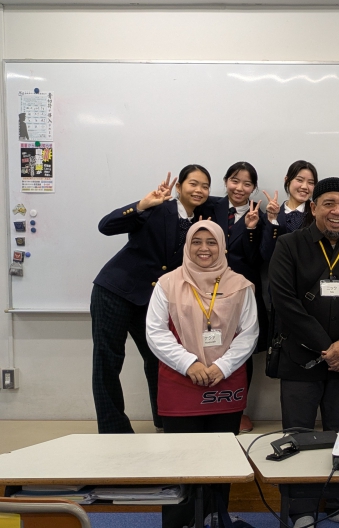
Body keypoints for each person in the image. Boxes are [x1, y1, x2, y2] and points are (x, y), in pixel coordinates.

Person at [268, 177, 339, 528]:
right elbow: (284, 301)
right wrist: (327, 347)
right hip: (299, 357)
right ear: (314, 207)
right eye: (329, 203)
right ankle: (300, 510)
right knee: (297, 436)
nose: (337, 211)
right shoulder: (289, 245)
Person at [145, 220, 258, 528]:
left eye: (211, 242)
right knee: (180, 461)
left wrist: (222, 367)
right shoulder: (167, 283)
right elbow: (155, 332)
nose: (204, 248)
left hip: (225, 382)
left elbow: (248, 333)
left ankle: (218, 517)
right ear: (187, 246)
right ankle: (179, 523)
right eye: (197, 241)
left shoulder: (240, 285)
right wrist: (189, 364)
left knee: (222, 461)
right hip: (180, 382)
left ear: (222, 246)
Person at [92, 165, 212, 434]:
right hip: (115, 290)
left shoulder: (201, 223)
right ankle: (114, 430)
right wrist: (141, 205)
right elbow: (105, 226)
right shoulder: (157, 208)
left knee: (159, 360)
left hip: (153, 300)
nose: (199, 190)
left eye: (205, 186)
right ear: (178, 187)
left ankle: (165, 421)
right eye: (193, 183)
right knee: (107, 361)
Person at [210, 161, 269, 433]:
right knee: (209, 346)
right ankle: (208, 404)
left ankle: (238, 408)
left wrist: (252, 229)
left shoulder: (260, 216)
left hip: (242, 291)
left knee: (242, 351)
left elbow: (258, 259)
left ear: (253, 188)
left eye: (247, 183)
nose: (240, 188)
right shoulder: (210, 207)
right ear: (226, 181)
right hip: (207, 290)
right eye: (235, 181)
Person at [260, 160, 318, 264]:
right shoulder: (268, 217)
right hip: (278, 273)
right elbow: (266, 255)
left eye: (311, 183)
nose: (305, 187)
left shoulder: (318, 215)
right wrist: (273, 220)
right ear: (287, 180)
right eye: (299, 180)